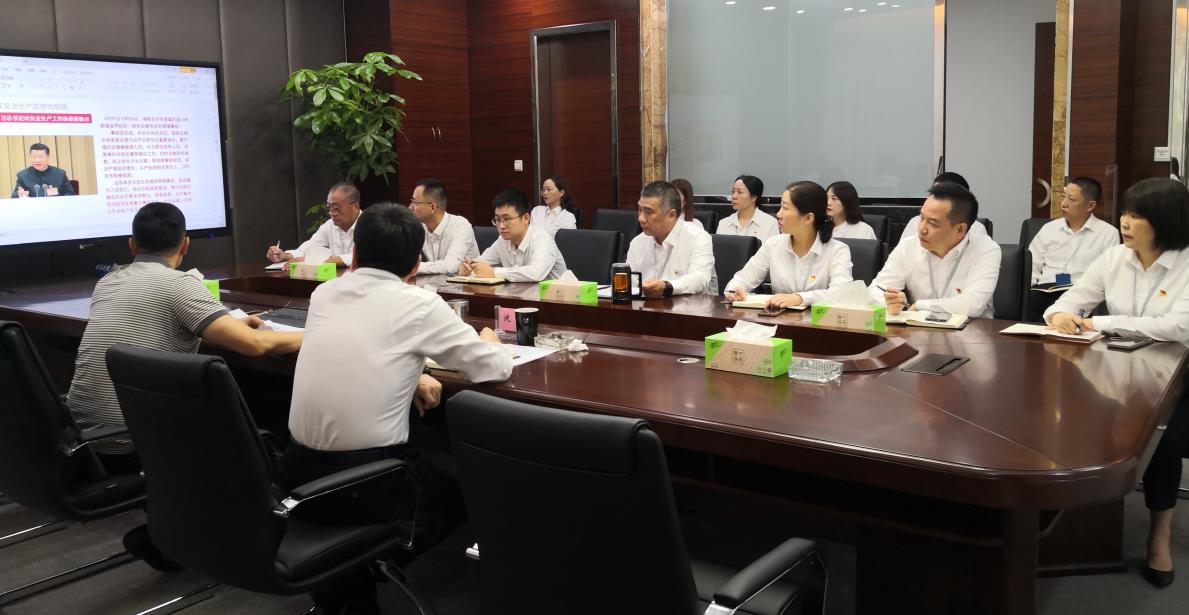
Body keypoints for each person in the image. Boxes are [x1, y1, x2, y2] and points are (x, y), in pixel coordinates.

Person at [282, 202, 513, 613]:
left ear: (354, 255)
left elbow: (360, 348)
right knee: (467, 493)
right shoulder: (419, 303)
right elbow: (492, 367)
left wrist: (412, 373)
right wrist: (489, 340)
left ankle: (346, 582)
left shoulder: (324, 293)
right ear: (415, 265)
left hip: (295, 473)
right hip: (367, 481)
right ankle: (357, 569)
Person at [66, 201, 302, 571]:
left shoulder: (108, 282)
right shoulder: (180, 285)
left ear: (132, 245)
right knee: (258, 436)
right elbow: (255, 346)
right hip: (136, 443)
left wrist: (225, 325)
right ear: (186, 244)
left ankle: (174, 530)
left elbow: (157, 322)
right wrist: (317, 332)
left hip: (82, 437)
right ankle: (222, 535)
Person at [1043, 177, 1189, 589]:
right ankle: (1079, 522)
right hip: (1121, 370)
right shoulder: (1114, 258)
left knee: (1162, 441)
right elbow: (1067, 303)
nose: (1125, 222)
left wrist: (1100, 322)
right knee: (1070, 415)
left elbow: (1177, 326)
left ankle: (1159, 536)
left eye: (1138, 216)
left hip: (1179, 375)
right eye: (1125, 212)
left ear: (1166, 222)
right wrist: (1061, 316)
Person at [870, 182, 1002, 318]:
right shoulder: (908, 246)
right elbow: (877, 290)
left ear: (960, 229)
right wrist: (890, 303)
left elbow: (973, 304)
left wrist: (919, 306)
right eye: (921, 218)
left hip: (973, 328)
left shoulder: (986, 250)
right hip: (919, 327)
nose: (922, 229)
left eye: (933, 223)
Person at [724, 181, 853, 309]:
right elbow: (742, 279)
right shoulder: (773, 245)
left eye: (785, 208)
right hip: (777, 318)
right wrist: (735, 290)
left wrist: (799, 298)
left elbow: (841, 294)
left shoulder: (837, 251)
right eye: (780, 207)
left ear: (808, 218)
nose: (778, 214)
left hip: (818, 320)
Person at [1024, 177, 1120, 321]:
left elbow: (1108, 275)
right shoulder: (1049, 229)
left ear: (1090, 206)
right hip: (1043, 293)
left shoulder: (1108, 233)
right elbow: (1031, 265)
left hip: (1081, 296)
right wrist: (1029, 290)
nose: (1063, 203)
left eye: (1071, 199)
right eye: (1063, 197)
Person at [625, 180, 717, 297]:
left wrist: (666, 286)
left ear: (671, 215)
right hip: (646, 306)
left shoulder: (697, 237)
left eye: (648, 212)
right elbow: (631, 284)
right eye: (639, 210)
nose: (641, 218)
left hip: (689, 306)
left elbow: (700, 279)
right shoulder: (637, 242)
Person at [461, 188, 568, 281]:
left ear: (526, 218)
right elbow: (482, 262)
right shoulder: (503, 239)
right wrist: (470, 267)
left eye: (507, 219)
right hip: (520, 294)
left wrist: (494, 272)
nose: (501, 226)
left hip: (557, 296)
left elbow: (535, 273)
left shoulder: (542, 238)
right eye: (497, 220)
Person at [266, 182, 360, 266]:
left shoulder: (367, 225)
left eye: (336, 208)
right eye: (329, 208)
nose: (332, 213)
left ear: (355, 206)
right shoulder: (329, 225)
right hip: (338, 278)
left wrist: (312, 260)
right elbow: (309, 247)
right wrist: (285, 256)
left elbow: (360, 257)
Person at [407, 178, 479, 275]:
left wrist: (410, 267)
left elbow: (450, 266)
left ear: (432, 207)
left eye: (415, 202)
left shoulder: (461, 226)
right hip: (436, 282)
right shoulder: (419, 227)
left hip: (467, 283)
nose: (410, 207)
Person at [898, 171, 989, 242]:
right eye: (934, 194)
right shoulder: (915, 222)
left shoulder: (976, 229)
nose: (922, 230)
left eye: (942, 196)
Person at [717, 174, 779, 240]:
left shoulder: (770, 223)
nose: (734, 196)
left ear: (754, 197)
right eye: (733, 192)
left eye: (740, 192)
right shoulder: (724, 223)